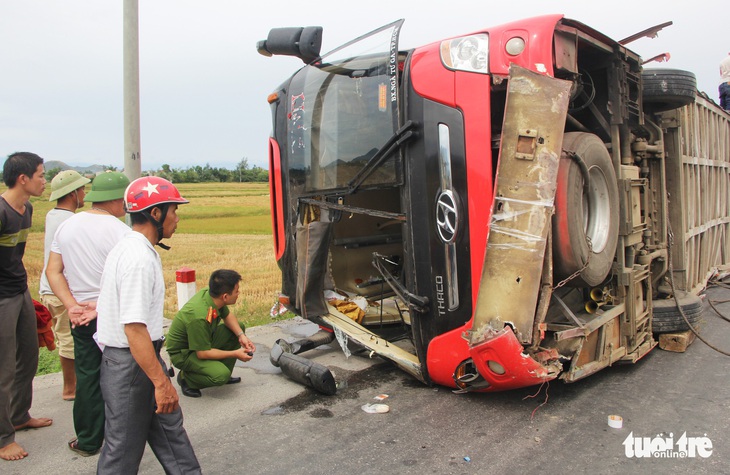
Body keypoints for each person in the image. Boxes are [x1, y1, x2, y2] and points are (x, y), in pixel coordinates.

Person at [96, 176, 200, 474]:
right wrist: (160, 382)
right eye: (174, 211)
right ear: (156, 213)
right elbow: (134, 330)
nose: (177, 220)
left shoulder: (130, 248)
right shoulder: (138, 258)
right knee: (122, 451)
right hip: (131, 366)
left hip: (141, 359)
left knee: (172, 434)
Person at [46, 171, 131, 457]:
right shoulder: (122, 232)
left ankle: (88, 439)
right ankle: (126, 437)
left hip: (80, 315)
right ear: (119, 200)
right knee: (123, 376)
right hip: (112, 315)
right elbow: (125, 281)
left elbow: (53, 271)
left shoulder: (68, 226)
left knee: (87, 377)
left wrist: (71, 305)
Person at [0, 152, 53, 462]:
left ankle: (19, 415)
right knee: (4, 369)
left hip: (19, 292)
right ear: (23, 179)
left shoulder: (27, 208)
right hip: (2, 299)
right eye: (41, 175)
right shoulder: (2, 212)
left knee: (29, 358)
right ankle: (4, 437)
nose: (44, 181)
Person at [39, 170, 91, 401]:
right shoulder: (71, 221)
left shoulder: (52, 215)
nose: (84, 193)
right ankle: (71, 388)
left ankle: (73, 384)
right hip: (61, 291)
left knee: (64, 338)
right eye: (81, 190)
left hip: (50, 288)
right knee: (69, 339)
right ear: (72, 194)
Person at [167, 269, 256, 398]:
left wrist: (241, 336)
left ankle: (220, 371)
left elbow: (227, 316)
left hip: (201, 341)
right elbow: (202, 353)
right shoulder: (198, 316)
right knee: (220, 376)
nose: (239, 293)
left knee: (237, 328)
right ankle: (187, 379)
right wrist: (235, 354)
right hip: (184, 354)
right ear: (225, 296)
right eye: (236, 291)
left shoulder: (211, 296)